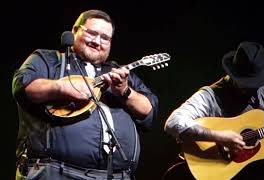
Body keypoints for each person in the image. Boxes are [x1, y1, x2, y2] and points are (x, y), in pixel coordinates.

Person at [13, 9, 158, 180]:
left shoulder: (119, 72)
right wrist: (61, 88)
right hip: (56, 172)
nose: (97, 41)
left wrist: (125, 92)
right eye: (92, 33)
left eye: (105, 38)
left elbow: (148, 111)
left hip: (116, 176)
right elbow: (23, 87)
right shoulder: (48, 60)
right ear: (75, 31)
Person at [163, 41, 264, 179]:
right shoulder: (211, 95)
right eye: (243, 81)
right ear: (232, 73)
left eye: (253, 82)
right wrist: (219, 137)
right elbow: (173, 123)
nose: (248, 88)